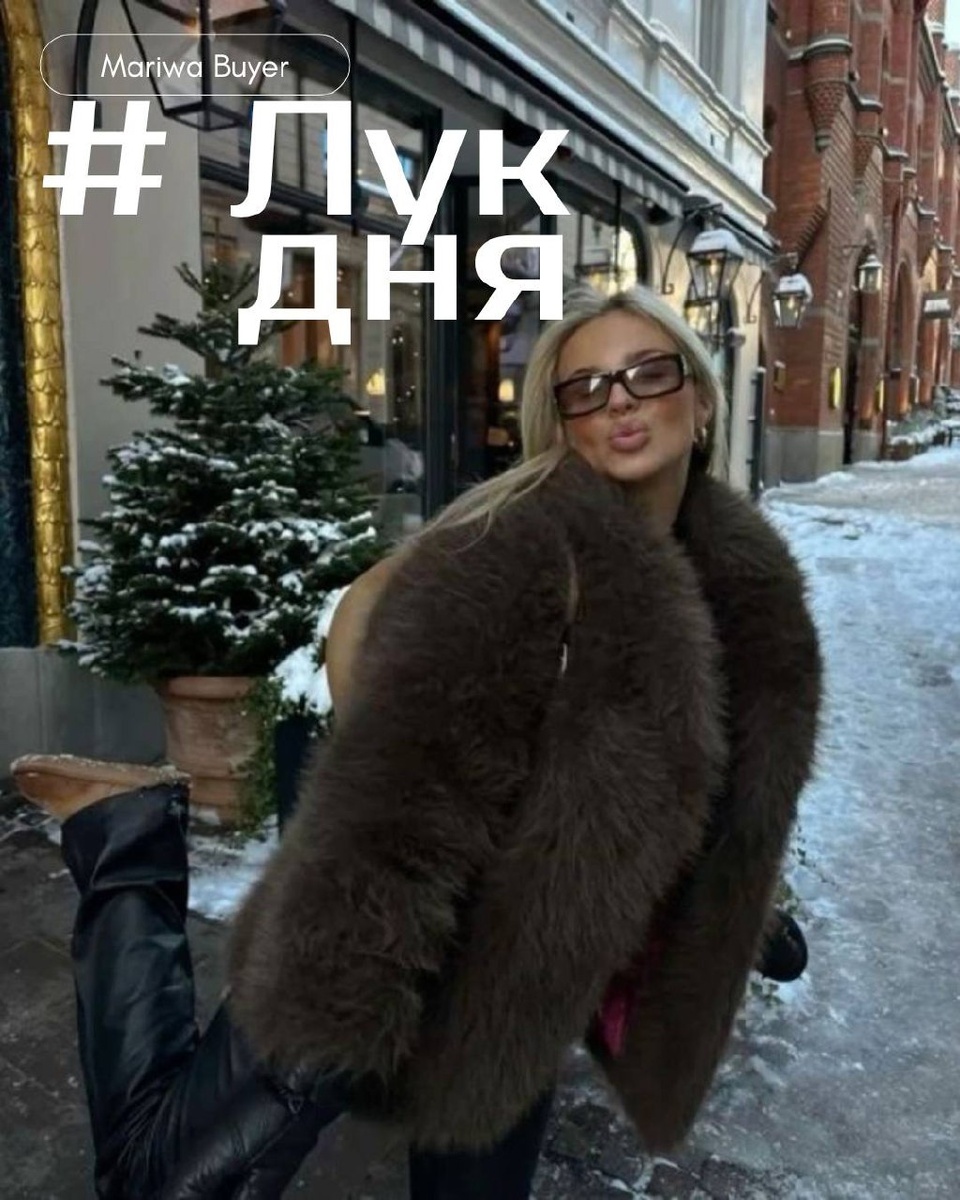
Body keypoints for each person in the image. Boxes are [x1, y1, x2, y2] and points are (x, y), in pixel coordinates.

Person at [11, 282, 820, 1198]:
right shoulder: (524, 551)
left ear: (700, 397)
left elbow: (695, 776)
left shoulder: (732, 581)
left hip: (526, 982)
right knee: (164, 1183)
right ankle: (125, 850)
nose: (621, 401)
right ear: (563, 425)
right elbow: (385, 718)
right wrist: (351, 964)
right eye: (588, 388)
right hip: (395, 930)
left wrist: (736, 912)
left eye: (648, 373)